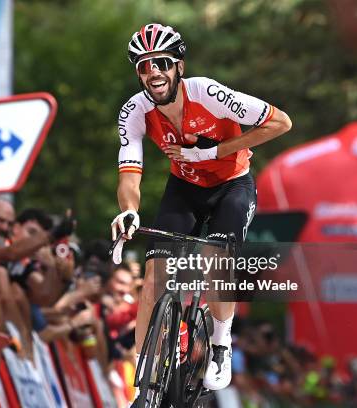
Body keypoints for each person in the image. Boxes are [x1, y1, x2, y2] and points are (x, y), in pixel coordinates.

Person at [111, 23, 292, 399]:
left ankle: (221, 343)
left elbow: (280, 123)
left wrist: (213, 152)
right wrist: (129, 211)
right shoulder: (135, 111)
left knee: (216, 259)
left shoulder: (207, 92)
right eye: (144, 66)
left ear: (179, 65)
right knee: (153, 275)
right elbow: (129, 173)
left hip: (232, 185)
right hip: (185, 189)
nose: (153, 72)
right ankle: (144, 384)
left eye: (161, 62)